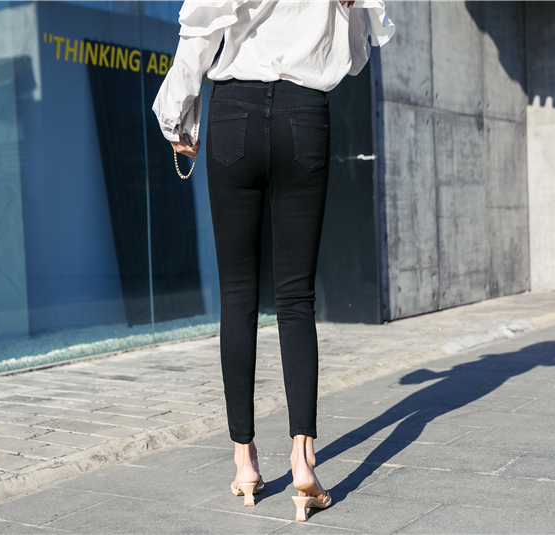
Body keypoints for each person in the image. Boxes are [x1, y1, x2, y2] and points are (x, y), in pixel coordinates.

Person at [152, 0, 394, 522]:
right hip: (305, 116)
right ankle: (303, 461)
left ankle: (244, 461)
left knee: (238, 295)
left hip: (234, 112)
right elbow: (355, 53)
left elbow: (201, 30)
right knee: (296, 297)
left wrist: (177, 111)